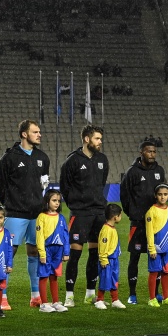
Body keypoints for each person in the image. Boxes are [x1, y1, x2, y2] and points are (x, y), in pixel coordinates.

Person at [0, 119, 50, 309]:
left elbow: (44, 184)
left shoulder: (43, 157)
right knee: (9, 253)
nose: (39, 134)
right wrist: (10, 203)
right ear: (24, 134)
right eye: (35, 132)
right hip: (15, 213)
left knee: (35, 252)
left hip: (36, 214)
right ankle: (1, 296)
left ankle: (35, 296)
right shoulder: (9, 158)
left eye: (39, 132)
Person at [60, 125, 109, 307]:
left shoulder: (102, 159)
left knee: (95, 254)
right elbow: (65, 187)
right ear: (87, 139)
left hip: (98, 213)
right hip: (80, 213)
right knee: (75, 255)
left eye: (100, 139)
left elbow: (101, 182)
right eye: (97, 138)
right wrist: (76, 203)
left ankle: (90, 293)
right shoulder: (72, 161)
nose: (100, 142)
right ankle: (69, 296)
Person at [120, 141, 166, 305]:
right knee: (135, 257)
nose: (152, 154)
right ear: (141, 152)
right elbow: (124, 195)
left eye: (154, 151)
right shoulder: (132, 172)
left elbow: (163, 191)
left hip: (157, 223)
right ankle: (132, 293)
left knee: (157, 257)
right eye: (149, 151)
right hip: (138, 222)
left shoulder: (159, 171)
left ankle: (156, 292)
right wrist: (132, 212)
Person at [35, 189, 70, 313]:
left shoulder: (61, 217)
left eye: (59, 201)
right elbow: (39, 236)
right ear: (47, 201)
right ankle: (44, 304)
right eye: (54, 200)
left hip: (58, 251)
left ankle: (55, 302)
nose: (57, 203)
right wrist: (42, 253)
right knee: (44, 276)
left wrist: (66, 252)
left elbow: (66, 236)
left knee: (54, 276)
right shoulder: (42, 217)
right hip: (47, 250)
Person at [145, 184, 168, 307]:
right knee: (154, 272)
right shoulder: (151, 211)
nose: (162, 197)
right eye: (160, 194)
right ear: (155, 195)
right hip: (156, 248)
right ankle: (152, 298)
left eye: (165, 194)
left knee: (166, 272)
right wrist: (151, 248)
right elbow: (149, 232)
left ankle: (165, 297)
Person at [94, 204, 126, 309]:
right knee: (104, 279)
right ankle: (99, 300)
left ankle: (115, 299)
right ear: (115, 217)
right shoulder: (106, 230)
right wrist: (103, 259)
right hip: (107, 260)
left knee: (113, 279)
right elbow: (103, 246)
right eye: (120, 215)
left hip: (114, 259)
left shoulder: (112, 228)